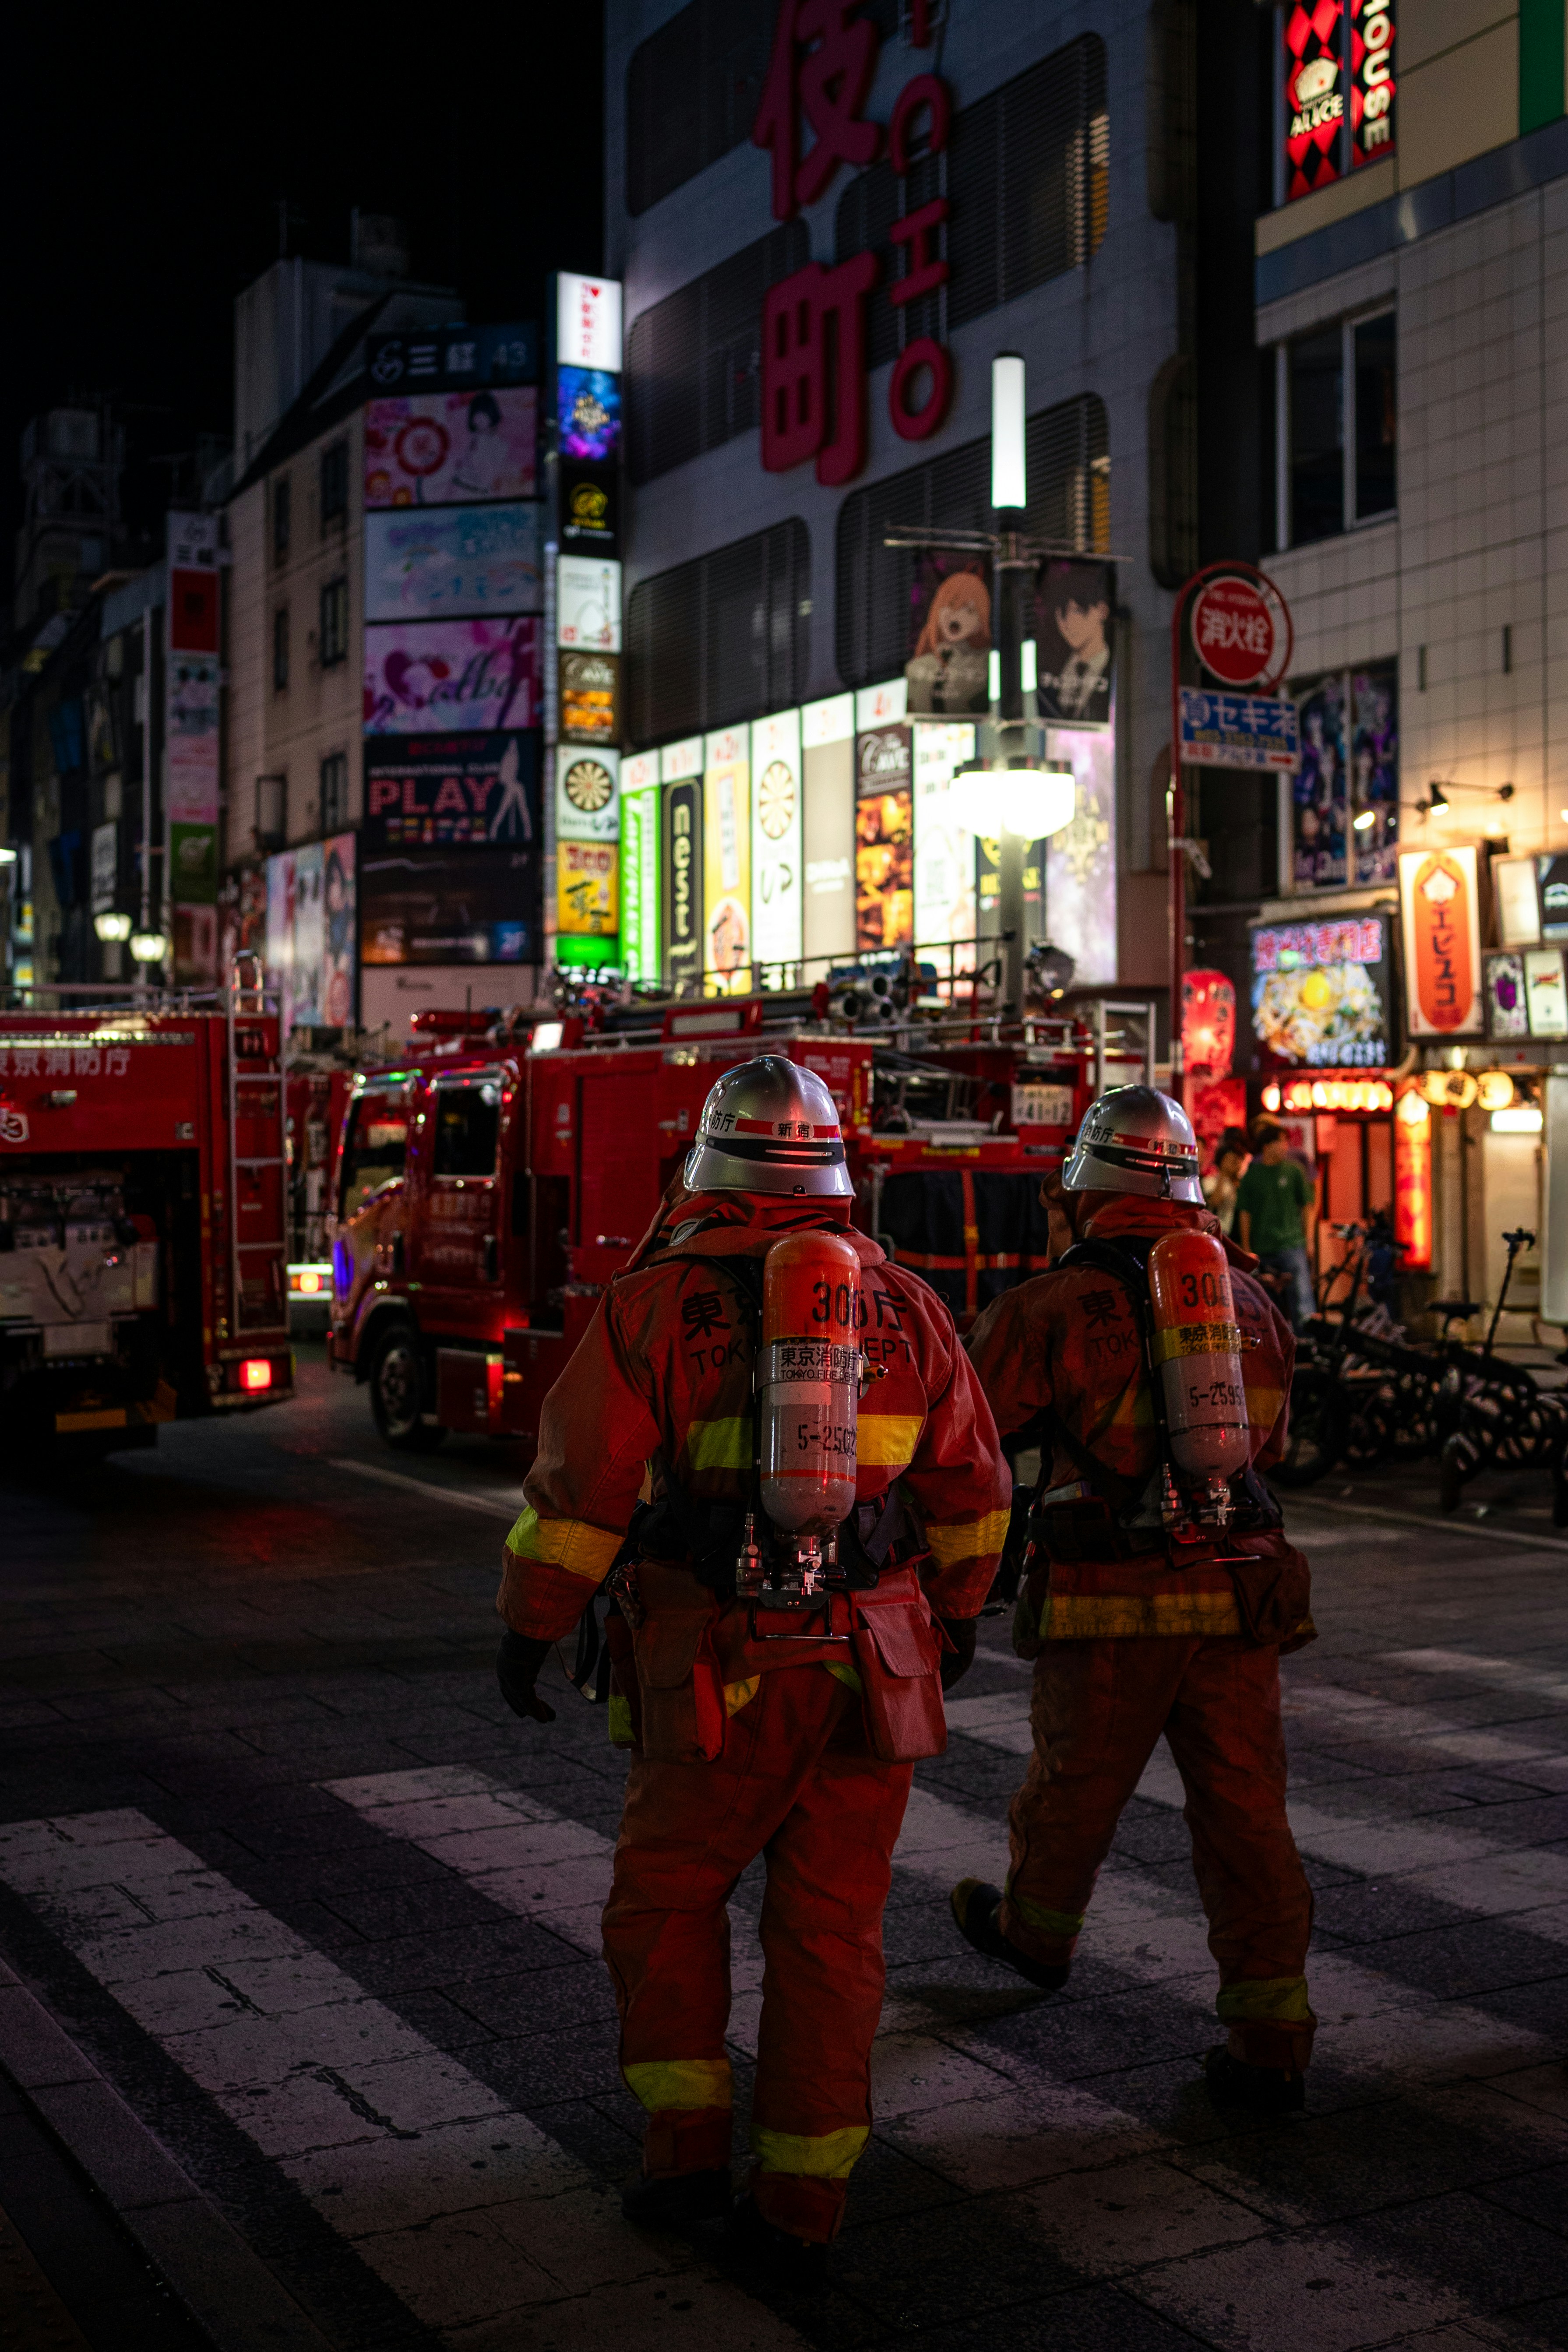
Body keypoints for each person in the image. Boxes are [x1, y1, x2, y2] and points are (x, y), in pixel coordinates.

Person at [493, 1057, 1010, 2276]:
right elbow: (975, 1488)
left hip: (714, 1667)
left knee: (669, 1903)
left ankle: (684, 2157)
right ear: (833, 1166)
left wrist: (529, 1625)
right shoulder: (905, 1304)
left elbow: (581, 1487)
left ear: (706, 1161)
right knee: (832, 1931)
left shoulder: (652, 1302)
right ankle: (801, 2199)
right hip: (873, 1666)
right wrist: (952, 1616)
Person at [955, 1085, 1318, 2115]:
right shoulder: (1251, 1302)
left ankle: (1034, 1936)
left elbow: (970, 1430)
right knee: (1246, 1812)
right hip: (1238, 1590)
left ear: (1088, 1188)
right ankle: (1270, 2039)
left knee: (1074, 1786)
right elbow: (1267, 1443)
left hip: (1110, 1596)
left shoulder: (1052, 1304)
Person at [1236, 1117, 1318, 1329]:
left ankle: (1307, 1338)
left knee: (1302, 1299)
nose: (1285, 1146)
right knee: (1265, 1302)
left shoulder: (1294, 1171)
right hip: (1262, 1247)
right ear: (1267, 1146)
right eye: (1280, 1142)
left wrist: (1308, 1238)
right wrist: (1247, 1247)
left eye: (1285, 1142)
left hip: (1292, 1244)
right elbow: (1245, 1213)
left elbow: (1308, 1206)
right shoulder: (1252, 1175)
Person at [1202, 1125, 1251, 1237]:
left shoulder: (1241, 1184)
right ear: (1222, 1161)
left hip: (1236, 1235)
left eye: (1237, 1160)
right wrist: (1223, 1175)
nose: (1235, 1164)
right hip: (1216, 1233)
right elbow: (1215, 1202)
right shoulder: (1210, 1181)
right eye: (1231, 1160)